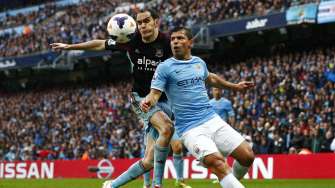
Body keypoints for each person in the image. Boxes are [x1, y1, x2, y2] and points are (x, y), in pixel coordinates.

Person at [51, 9, 182, 188]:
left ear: (156, 22)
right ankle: (157, 185)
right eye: (139, 22)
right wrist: (70, 46)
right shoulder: (130, 40)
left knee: (150, 158)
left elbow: (184, 63)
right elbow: (99, 44)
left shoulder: (168, 43)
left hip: (165, 100)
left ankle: (112, 185)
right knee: (166, 128)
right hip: (141, 98)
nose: (142, 26)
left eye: (146, 21)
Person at [140, 27, 255, 188]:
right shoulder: (165, 67)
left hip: (212, 120)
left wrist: (235, 87)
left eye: (180, 38)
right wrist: (148, 101)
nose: (175, 42)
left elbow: (211, 78)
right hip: (190, 129)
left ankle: (231, 183)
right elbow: (154, 94)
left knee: (247, 156)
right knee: (217, 163)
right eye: (173, 39)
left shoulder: (199, 63)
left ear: (190, 43)